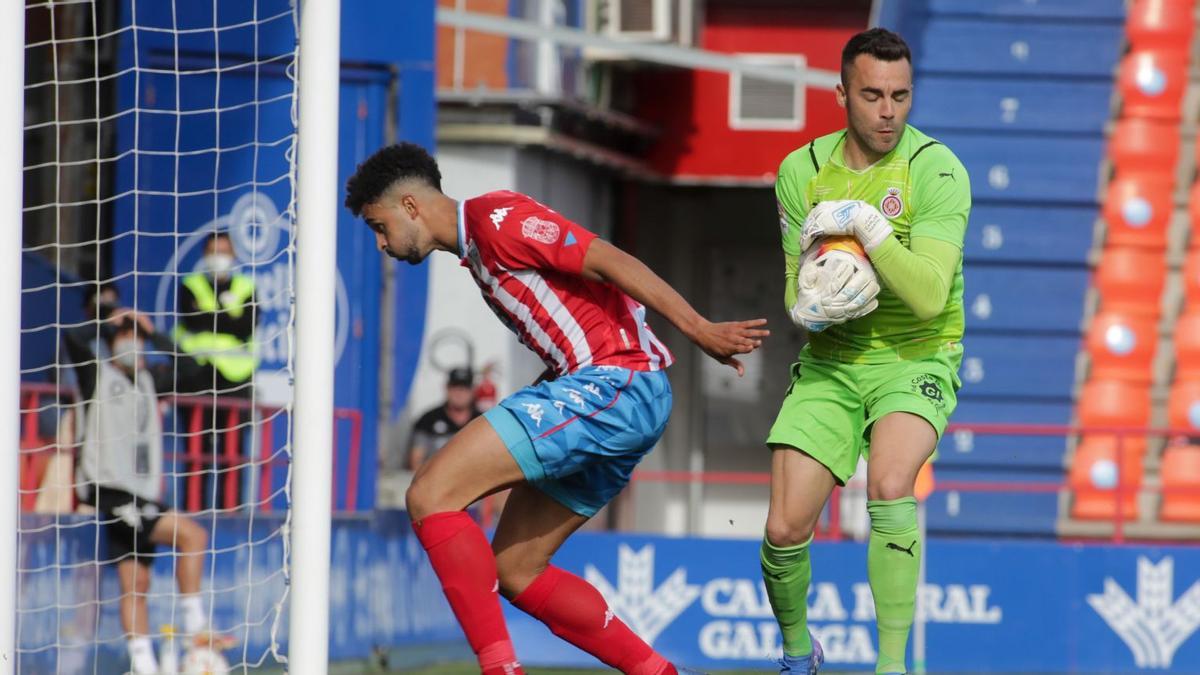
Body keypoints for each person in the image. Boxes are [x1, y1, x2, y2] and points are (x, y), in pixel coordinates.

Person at [345, 142, 768, 675]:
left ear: (410, 206)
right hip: (619, 395)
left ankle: (500, 670)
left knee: (431, 493)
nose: (381, 244)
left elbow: (607, 258)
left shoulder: (493, 219)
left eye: (379, 226)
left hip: (616, 384)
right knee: (516, 570)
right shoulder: (477, 253)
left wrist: (698, 328)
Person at [762, 28, 970, 675]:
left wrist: (870, 230)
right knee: (783, 529)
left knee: (888, 483)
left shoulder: (936, 168)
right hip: (832, 362)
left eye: (901, 96)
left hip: (917, 355)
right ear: (842, 93)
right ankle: (799, 652)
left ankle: (891, 665)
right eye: (873, 95)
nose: (889, 111)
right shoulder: (800, 172)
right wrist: (807, 305)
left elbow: (932, 295)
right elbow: (799, 288)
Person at [63, 309, 232, 675]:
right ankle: (194, 627)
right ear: (110, 345)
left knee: (137, 583)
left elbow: (194, 370)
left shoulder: (150, 379)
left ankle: (145, 667)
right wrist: (112, 324)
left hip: (142, 496)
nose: (131, 344)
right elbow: (73, 339)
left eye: (136, 339)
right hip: (114, 494)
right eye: (125, 338)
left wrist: (154, 335)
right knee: (193, 536)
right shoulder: (97, 375)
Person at [176, 231, 258, 511]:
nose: (218, 258)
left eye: (223, 252)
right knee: (196, 451)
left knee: (231, 452)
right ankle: (192, 509)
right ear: (204, 254)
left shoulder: (247, 287)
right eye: (213, 251)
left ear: (234, 255)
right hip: (196, 378)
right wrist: (227, 318)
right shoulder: (191, 285)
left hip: (234, 380)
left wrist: (209, 316)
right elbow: (190, 320)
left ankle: (231, 511)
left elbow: (245, 327)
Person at [407, 367, 481, 470]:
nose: (459, 393)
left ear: (473, 391)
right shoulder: (428, 420)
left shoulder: (482, 421)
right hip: (437, 481)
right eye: (455, 387)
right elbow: (416, 460)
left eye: (464, 388)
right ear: (446, 388)